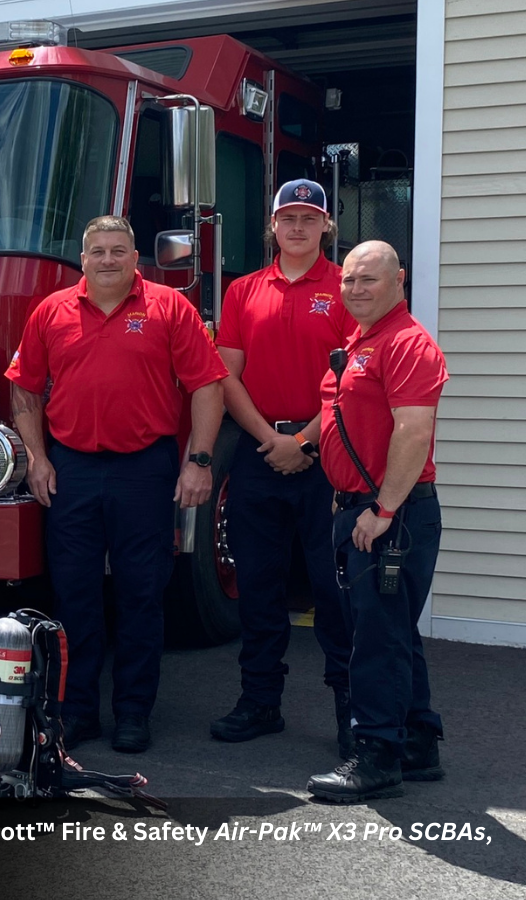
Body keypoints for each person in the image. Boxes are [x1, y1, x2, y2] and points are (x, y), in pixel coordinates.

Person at [7, 216, 227, 753]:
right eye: (99, 251)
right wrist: (36, 458)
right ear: (83, 259)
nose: (108, 259)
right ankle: (78, 711)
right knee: (75, 595)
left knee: (141, 593)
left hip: (144, 469)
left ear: (135, 257)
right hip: (72, 470)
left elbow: (207, 385)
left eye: (119, 250)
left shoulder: (170, 307)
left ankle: (133, 712)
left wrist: (199, 461)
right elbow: (25, 390)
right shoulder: (51, 311)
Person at [210, 179, 355, 754]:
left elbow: (355, 379)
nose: (298, 227)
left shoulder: (347, 286)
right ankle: (260, 701)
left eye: (308, 218)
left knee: (333, 588)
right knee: (259, 585)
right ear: (272, 226)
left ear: (326, 227)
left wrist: (305, 441)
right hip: (259, 449)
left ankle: (352, 713)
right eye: (288, 218)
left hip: (328, 453)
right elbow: (226, 375)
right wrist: (270, 438)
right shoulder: (243, 290)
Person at [307, 241, 447, 802]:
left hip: (392, 514)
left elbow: (413, 433)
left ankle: (377, 756)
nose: (356, 289)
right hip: (359, 507)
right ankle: (417, 742)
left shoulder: (408, 343)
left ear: (399, 280)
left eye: (368, 279)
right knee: (392, 631)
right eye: (348, 280)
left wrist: (383, 509)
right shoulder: (360, 341)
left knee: (375, 639)